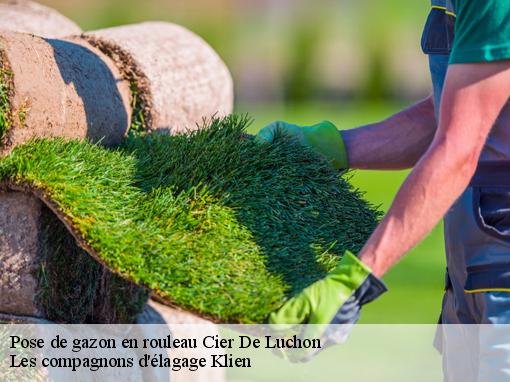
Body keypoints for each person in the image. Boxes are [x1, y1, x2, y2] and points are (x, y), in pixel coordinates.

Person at [259, 0, 510, 377]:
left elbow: (457, 149)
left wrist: (355, 280)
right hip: (472, 276)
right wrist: (333, 146)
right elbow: (448, 111)